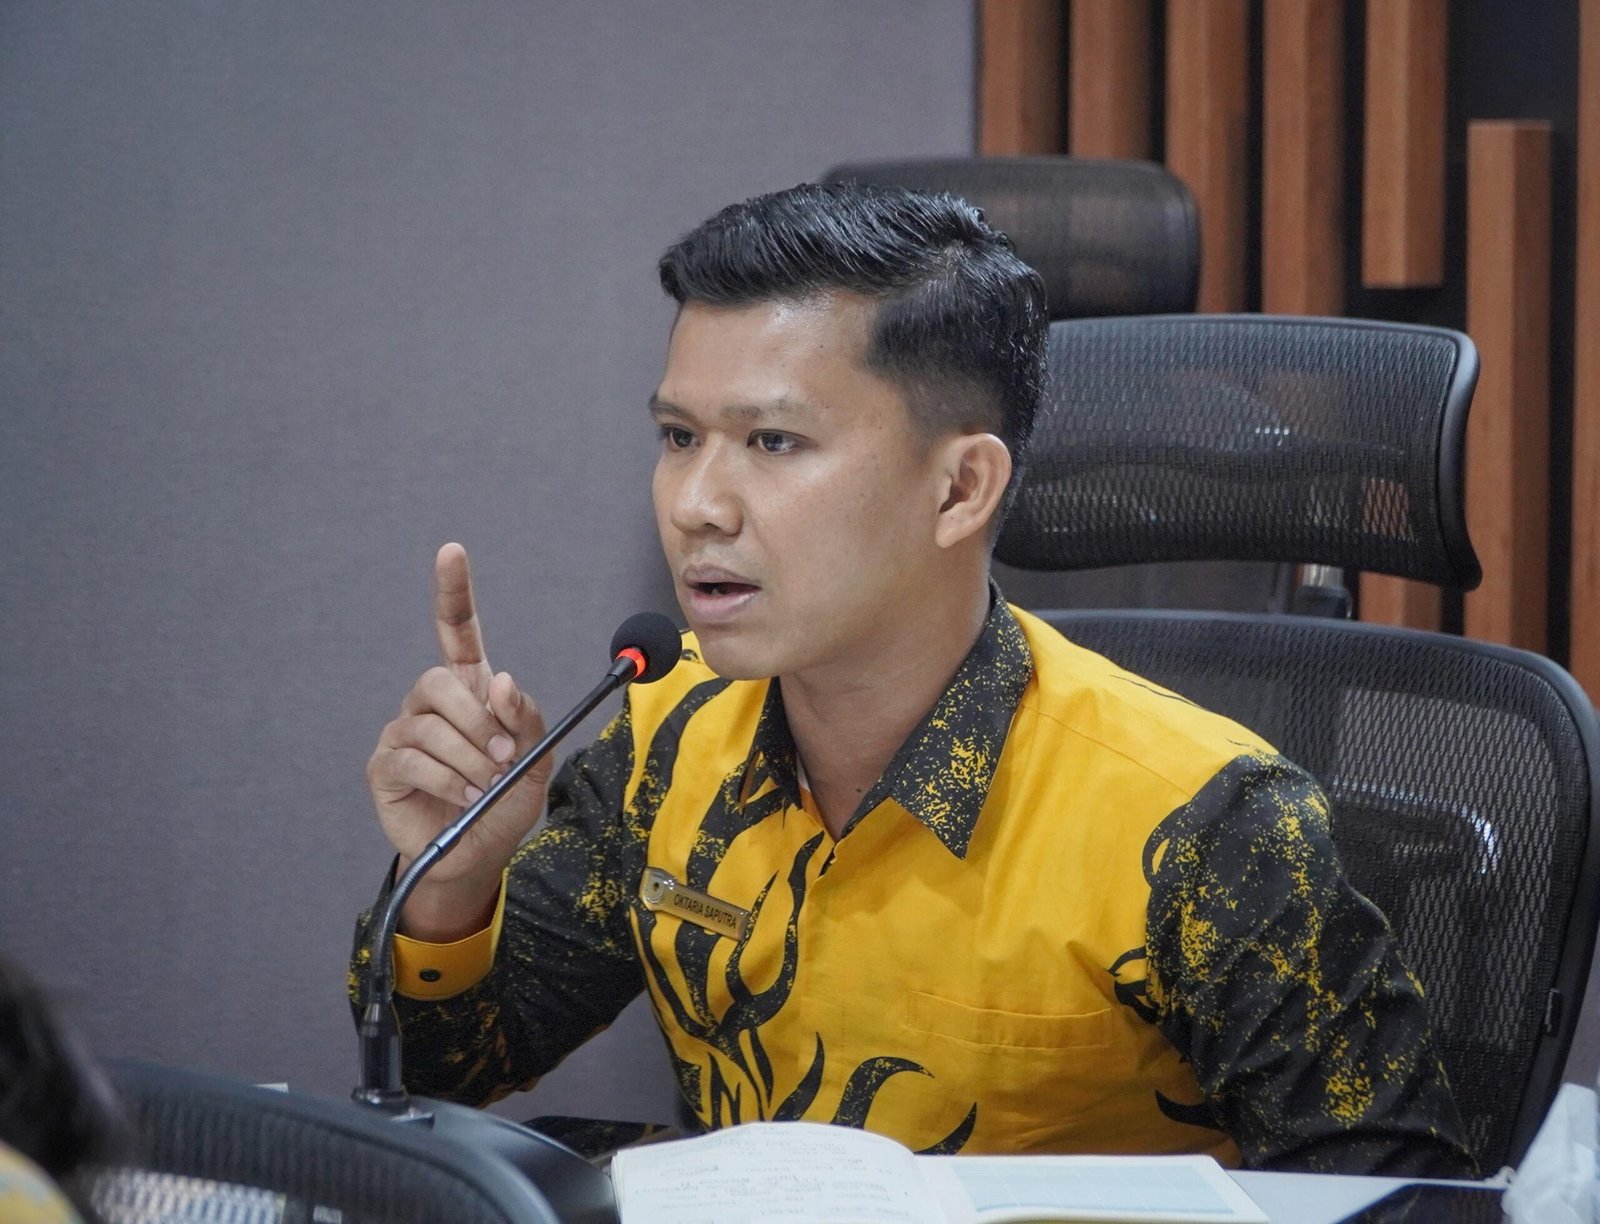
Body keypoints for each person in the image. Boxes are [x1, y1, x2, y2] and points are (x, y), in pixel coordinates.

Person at [353, 182, 1475, 1174]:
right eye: (680, 436)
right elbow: (447, 1073)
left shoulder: (1202, 822)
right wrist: (452, 883)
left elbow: (1400, 1200)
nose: (696, 504)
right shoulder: (666, 729)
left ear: (959, 490)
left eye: (773, 442)